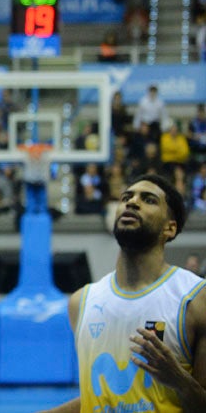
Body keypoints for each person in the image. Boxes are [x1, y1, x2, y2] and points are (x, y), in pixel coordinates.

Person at [40, 174, 206, 413]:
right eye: (127, 197)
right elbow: (97, 398)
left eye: (148, 200)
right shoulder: (81, 302)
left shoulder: (196, 299)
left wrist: (179, 381)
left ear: (170, 228)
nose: (132, 202)